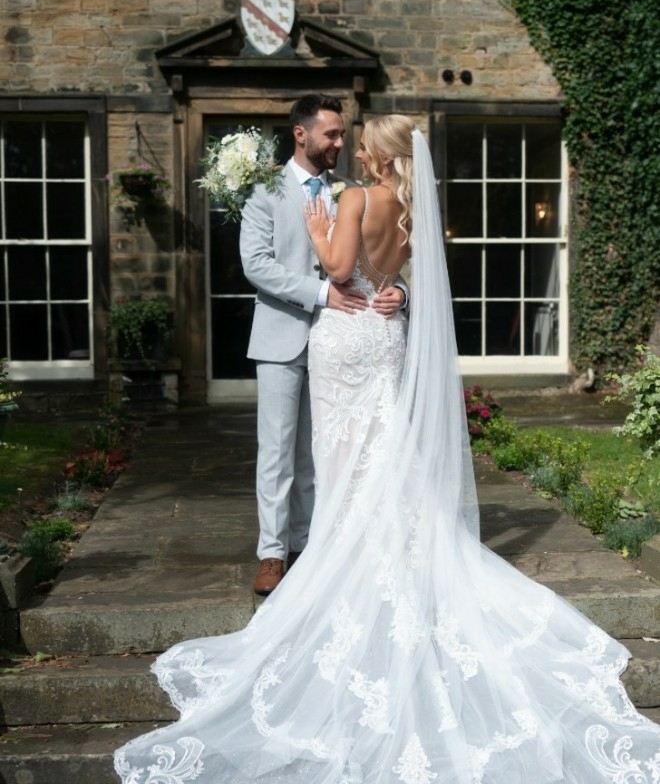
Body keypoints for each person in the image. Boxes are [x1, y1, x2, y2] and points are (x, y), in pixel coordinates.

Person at [115, 117, 660, 784]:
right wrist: (394, 289)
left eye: (362, 140)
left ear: (378, 153)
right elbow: (394, 275)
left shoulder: (352, 199)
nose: (354, 149)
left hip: (344, 339)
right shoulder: (408, 205)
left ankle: (348, 563)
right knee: (383, 451)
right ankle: (385, 555)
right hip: (385, 338)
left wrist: (319, 235)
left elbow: (340, 268)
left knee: (347, 462)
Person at [238, 94, 407, 596]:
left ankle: (312, 543)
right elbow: (256, 264)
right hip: (283, 335)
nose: (341, 142)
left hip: (347, 340)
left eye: (343, 134)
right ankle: (271, 553)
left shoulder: (354, 190)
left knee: (326, 448)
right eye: (332, 134)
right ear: (301, 134)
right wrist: (321, 295)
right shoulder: (265, 191)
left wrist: (402, 292)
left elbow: (388, 259)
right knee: (278, 449)